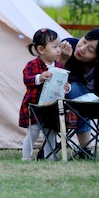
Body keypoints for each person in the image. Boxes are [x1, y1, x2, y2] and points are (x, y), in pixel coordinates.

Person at [60, 27, 99, 150]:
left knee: (78, 94)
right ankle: (86, 149)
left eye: (90, 50)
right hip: (61, 101)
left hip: (90, 107)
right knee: (74, 89)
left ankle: (85, 148)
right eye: (84, 41)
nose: (81, 49)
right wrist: (62, 61)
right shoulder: (68, 47)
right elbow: (48, 78)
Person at [18, 28, 70, 161]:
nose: (59, 50)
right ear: (41, 49)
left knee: (51, 132)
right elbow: (27, 79)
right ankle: (26, 156)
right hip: (35, 105)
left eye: (59, 46)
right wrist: (39, 77)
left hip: (51, 105)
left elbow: (63, 82)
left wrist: (67, 87)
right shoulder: (32, 65)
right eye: (55, 47)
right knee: (33, 132)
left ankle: (49, 156)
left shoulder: (59, 66)